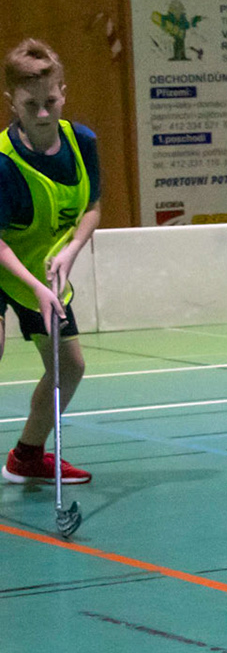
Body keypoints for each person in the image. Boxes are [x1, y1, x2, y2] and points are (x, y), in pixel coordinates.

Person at [0, 39, 100, 487]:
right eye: (30, 104)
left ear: (63, 92)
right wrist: (37, 289)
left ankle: (26, 457)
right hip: (8, 264)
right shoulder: (3, 162)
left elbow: (92, 207)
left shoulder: (82, 142)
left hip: (39, 268)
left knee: (69, 367)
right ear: (11, 101)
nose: (42, 114)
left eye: (51, 101)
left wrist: (71, 249)